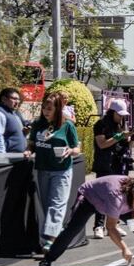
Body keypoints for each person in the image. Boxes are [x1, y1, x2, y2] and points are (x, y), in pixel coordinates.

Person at [38, 175, 134, 266]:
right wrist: (124, 248)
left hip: (116, 201)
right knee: (73, 229)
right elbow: (111, 228)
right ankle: (47, 260)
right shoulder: (116, 197)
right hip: (89, 198)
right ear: (132, 192)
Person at [25, 91, 81, 252]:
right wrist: (29, 150)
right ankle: (57, 232)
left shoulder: (67, 125)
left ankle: (50, 240)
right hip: (43, 169)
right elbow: (32, 143)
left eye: (50, 108)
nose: (46, 111)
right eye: (44, 108)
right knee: (46, 205)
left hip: (61, 170)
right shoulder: (38, 124)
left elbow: (77, 147)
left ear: (58, 109)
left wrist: (70, 151)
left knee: (56, 204)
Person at [92, 98, 134, 239]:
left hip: (119, 164)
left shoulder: (121, 125)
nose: (121, 117)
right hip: (105, 164)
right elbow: (102, 144)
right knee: (102, 196)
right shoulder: (101, 125)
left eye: (123, 115)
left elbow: (127, 147)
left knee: (118, 197)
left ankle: (114, 225)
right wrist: (120, 135)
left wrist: (132, 137)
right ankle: (99, 225)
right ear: (112, 112)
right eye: (119, 114)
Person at [0, 87, 28, 153]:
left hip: (18, 158)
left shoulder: (13, 113)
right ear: (4, 99)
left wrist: (24, 133)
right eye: (14, 99)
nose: (17, 102)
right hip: (7, 159)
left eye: (18, 99)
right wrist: (1, 159)